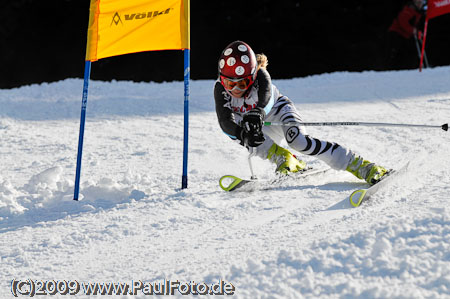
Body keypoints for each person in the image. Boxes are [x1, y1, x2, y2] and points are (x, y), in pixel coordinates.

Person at [214, 40, 388, 185]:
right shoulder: (220, 89)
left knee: (299, 142)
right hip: (259, 126)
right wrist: (244, 136)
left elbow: (266, 99)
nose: (235, 89)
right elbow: (224, 121)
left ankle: (361, 165)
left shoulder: (261, 75)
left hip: (278, 113)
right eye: (230, 84)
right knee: (241, 132)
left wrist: (258, 112)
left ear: (252, 76)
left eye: (242, 84)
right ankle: (284, 159)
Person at [385, 0, 425, 69]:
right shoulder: (408, 11)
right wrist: (413, 30)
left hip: (405, 36)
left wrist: (417, 31)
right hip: (397, 34)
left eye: (421, 3)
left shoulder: (418, 13)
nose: (420, 4)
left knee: (408, 53)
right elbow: (403, 23)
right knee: (397, 53)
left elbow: (415, 25)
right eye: (418, 3)